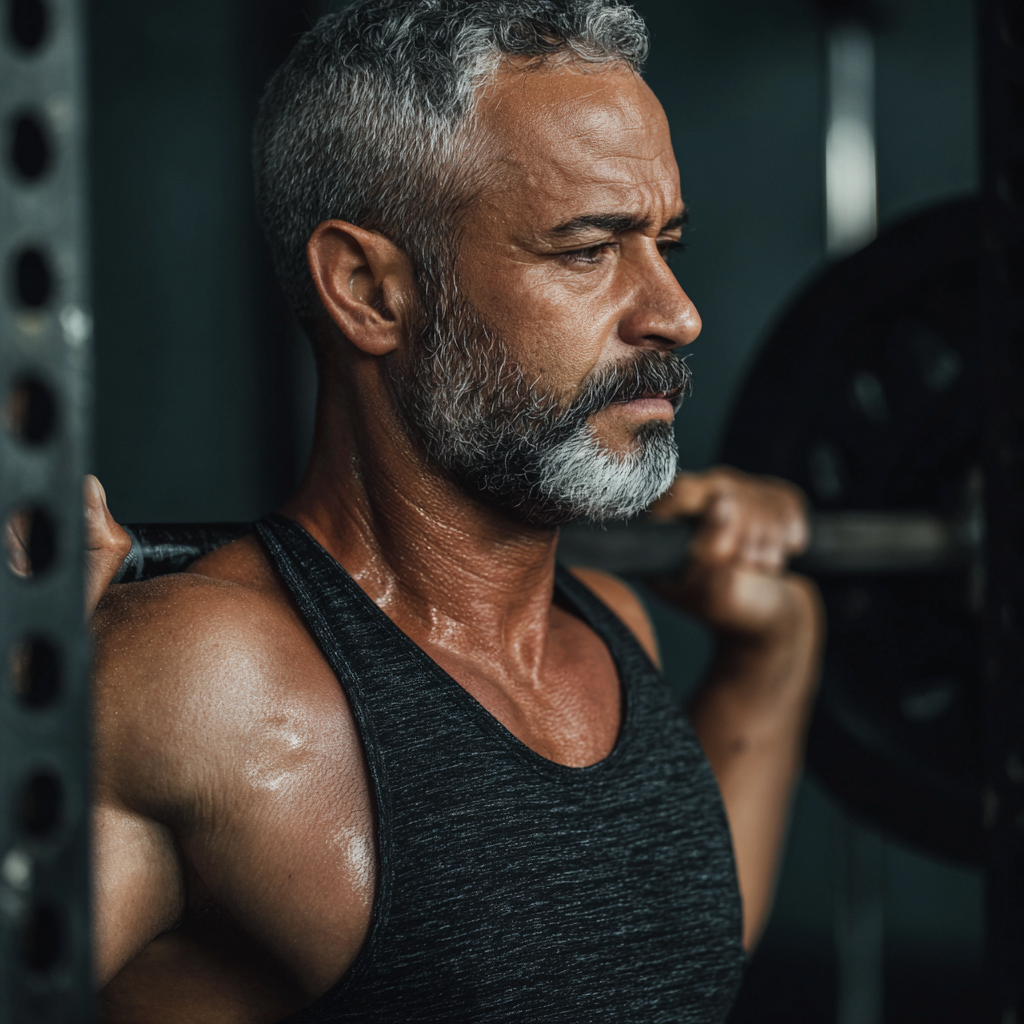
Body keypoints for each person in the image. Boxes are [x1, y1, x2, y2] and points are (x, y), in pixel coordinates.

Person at [85, 2, 823, 1021]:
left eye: (667, 243)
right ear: (368, 290)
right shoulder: (203, 681)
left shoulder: (612, 636)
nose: (676, 313)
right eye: (588, 250)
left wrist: (771, 655)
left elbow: (653, 962)